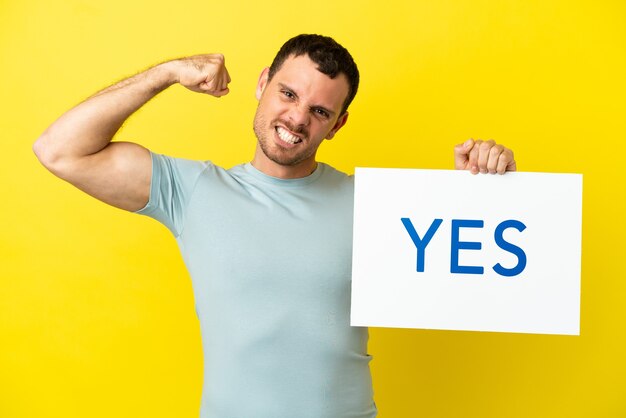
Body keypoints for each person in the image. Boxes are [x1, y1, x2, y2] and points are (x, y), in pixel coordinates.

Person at [33, 34, 516, 418]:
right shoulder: (192, 190)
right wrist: (167, 72)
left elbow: (468, 273)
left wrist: (480, 189)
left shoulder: (376, 205)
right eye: (288, 93)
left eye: (320, 111)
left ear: (338, 124)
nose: (297, 118)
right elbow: (59, 150)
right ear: (263, 83)